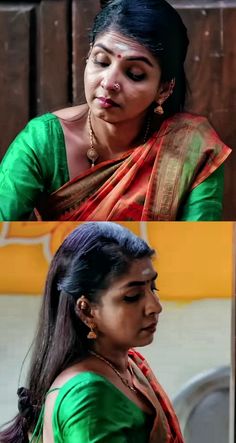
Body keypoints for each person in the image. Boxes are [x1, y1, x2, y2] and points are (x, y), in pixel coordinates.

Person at [0, 0, 231, 221]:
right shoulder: (42, 141)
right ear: (88, 55)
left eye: (135, 74)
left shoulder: (193, 149)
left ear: (164, 89)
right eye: (101, 61)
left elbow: (199, 251)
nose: (109, 82)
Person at [0, 222, 184, 442]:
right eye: (132, 296)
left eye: (153, 288)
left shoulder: (128, 365)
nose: (155, 306)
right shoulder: (88, 397)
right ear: (86, 310)